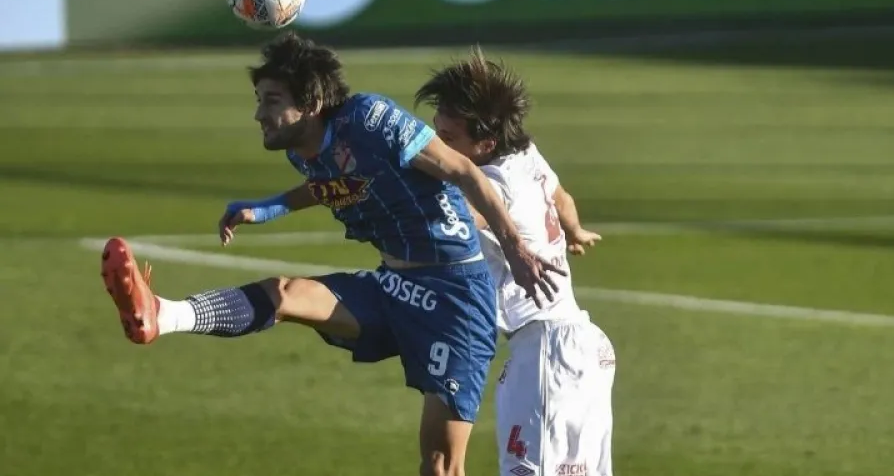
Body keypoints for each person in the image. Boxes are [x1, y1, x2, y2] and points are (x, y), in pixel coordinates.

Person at [99, 32, 563, 476]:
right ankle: (163, 314)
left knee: (440, 467)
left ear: (312, 104)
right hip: (394, 285)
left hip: (456, 297)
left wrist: (515, 247)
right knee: (283, 295)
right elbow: (336, 185)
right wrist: (265, 209)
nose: (259, 114)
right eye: (259, 100)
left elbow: (463, 169)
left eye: (271, 101)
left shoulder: (371, 119)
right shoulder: (303, 153)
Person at [414, 47, 616, 476]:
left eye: (448, 139)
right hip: (578, 347)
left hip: (547, 356)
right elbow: (563, 198)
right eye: (436, 130)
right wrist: (575, 231)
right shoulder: (524, 153)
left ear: (485, 143)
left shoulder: (492, 185)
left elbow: (467, 213)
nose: (437, 145)